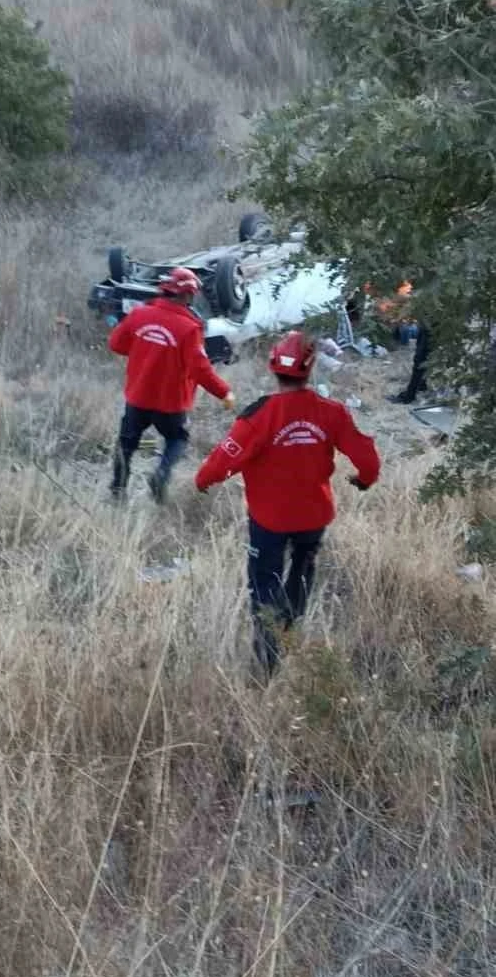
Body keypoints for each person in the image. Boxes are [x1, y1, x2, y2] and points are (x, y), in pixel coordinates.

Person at [195, 330, 381, 674]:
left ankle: (267, 659)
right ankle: (290, 628)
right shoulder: (332, 412)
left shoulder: (258, 416)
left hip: (269, 521)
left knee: (265, 583)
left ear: (272, 367)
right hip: (314, 516)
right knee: (302, 570)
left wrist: (203, 480)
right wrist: (364, 480)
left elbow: (223, 460)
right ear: (310, 370)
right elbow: (367, 457)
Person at [108, 266, 235, 503]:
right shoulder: (189, 328)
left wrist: (143, 351)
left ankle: (117, 491)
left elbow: (116, 343)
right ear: (187, 295)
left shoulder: (139, 315)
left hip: (138, 397)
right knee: (177, 439)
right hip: (171, 403)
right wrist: (224, 392)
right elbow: (200, 369)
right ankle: (161, 475)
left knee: (126, 443)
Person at [387, 322, 431, 405]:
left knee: (420, 360)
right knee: (422, 357)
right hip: (428, 325)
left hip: (432, 325)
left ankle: (409, 396)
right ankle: (421, 385)